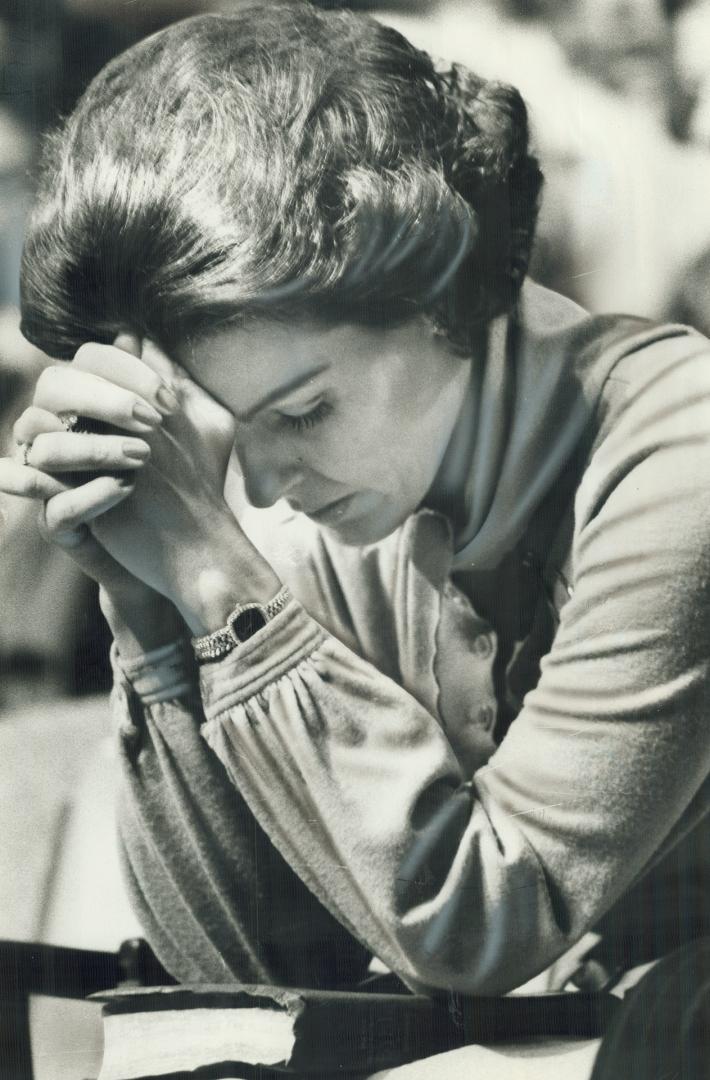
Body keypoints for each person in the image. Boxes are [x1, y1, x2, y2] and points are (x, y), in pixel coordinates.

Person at [1, 1, 709, 1000]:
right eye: (226, 433)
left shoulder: (683, 451)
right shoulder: (361, 490)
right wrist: (148, 605)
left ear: (450, 297)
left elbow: (483, 926)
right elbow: (258, 979)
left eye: (304, 410)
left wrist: (214, 573)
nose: (259, 487)